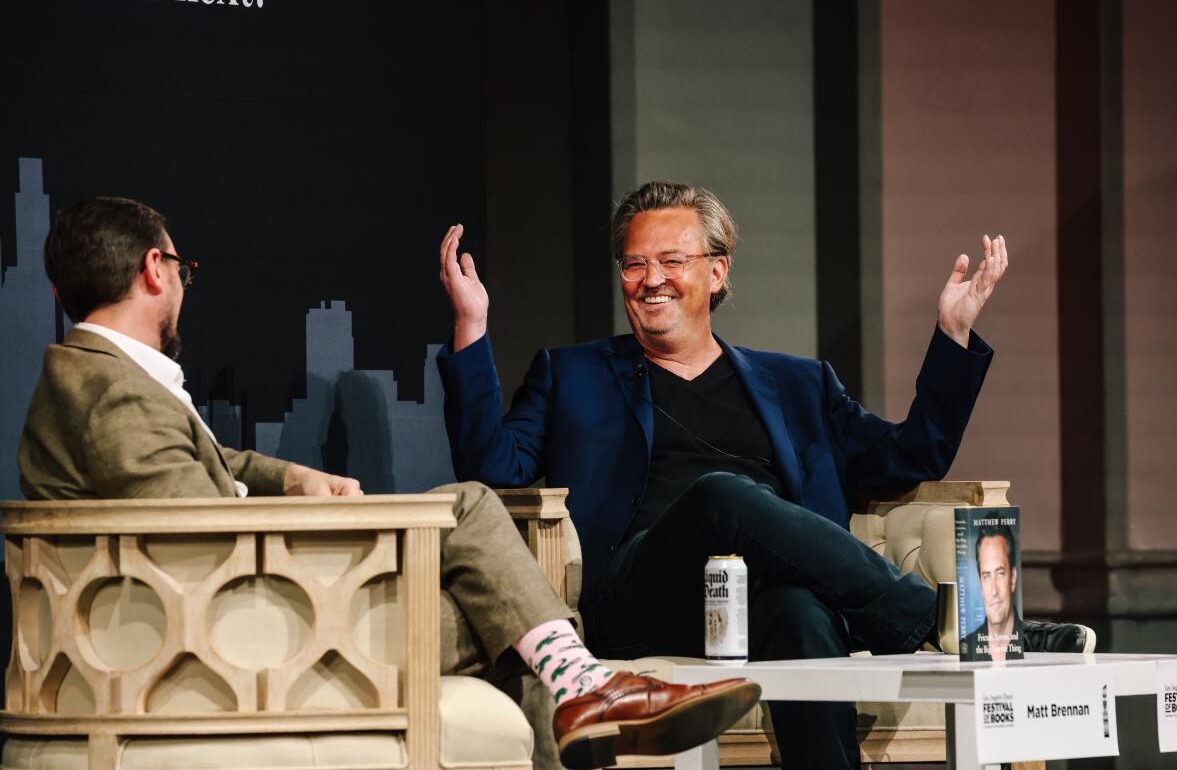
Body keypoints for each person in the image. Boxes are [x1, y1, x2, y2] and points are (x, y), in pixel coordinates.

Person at [16, 196, 761, 770]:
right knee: (506, 599)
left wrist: (297, 479)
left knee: (492, 559)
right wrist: (327, 543)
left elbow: (207, 469)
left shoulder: (102, 378)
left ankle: (580, 686)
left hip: (225, 616)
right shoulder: (113, 392)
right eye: (182, 269)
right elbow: (192, 542)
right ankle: (586, 685)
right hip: (228, 635)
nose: (183, 283)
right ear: (155, 269)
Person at [437, 181, 1097, 769]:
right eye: (634, 264)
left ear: (717, 271)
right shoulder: (571, 373)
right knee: (722, 496)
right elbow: (493, 471)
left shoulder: (798, 383)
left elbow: (908, 460)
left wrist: (953, 334)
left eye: (671, 260)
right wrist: (472, 327)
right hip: (643, 598)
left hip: (761, 599)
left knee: (801, 614)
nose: (650, 278)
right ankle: (944, 621)